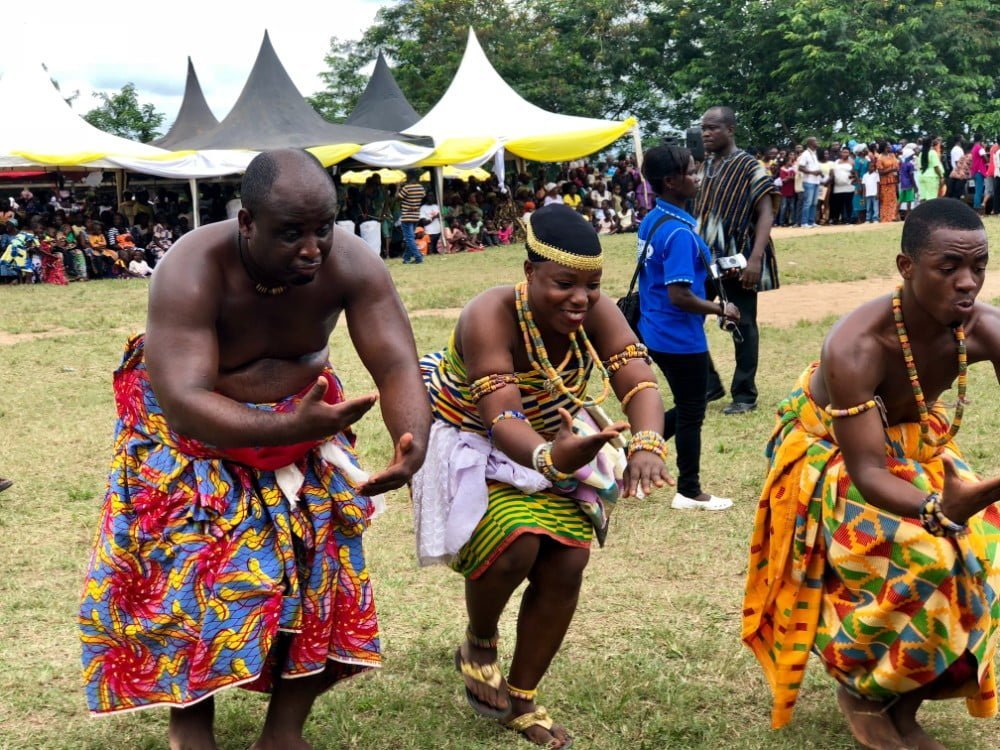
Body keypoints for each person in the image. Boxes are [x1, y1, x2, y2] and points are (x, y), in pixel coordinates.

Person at [78, 149, 431, 750]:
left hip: (302, 428)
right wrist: (290, 427)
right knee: (188, 584)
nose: (313, 249)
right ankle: (190, 721)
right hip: (191, 444)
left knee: (316, 572)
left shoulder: (352, 264)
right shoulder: (192, 266)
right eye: (290, 233)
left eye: (323, 228)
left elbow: (396, 361)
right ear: (247, 223)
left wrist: (411, 444)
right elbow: (186, 397)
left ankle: (284, 731)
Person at [410, 203, 672, 749]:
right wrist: (553, 459)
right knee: (516, 546)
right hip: (475, 443)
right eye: (563, 284)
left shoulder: (593, 312)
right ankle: (479, 643)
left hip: (553, 445)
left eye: (592, 285)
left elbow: (636, 378)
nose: (580, 299)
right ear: (529, 273)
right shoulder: (489, 314)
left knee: (569, 557)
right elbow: (503, 417)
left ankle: (523, 695)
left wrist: (648, 443)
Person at [742, 198, 1000, 750]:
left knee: (986, 554)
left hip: (912, 446)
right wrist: (936, 512)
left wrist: (967, 503)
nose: (967, 283)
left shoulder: (984, 329)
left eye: (978, 266)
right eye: (948, 268)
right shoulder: (856, 344)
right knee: (922, 556)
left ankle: (901, 703)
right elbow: (866, 470)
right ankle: (860, 689)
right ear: (906, 268)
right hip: (832, 454)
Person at [638, 146, 739, 511]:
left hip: (654, 327)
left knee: (690, 403)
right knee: (692, 409)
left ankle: (630, 453)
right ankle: (689, 490)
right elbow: (679, 295)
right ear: (670, 181)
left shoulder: (654, 219)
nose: (697, 178)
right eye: (691, 173)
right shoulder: (679, 232)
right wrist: (720, 307)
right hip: (679, 334)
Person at [696, 106, 778, 415]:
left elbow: (766, 212)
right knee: (684, 318)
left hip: (737, 258)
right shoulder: (704, 166)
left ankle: (744, 394)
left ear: (730, 130)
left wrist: (754, 259)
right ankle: (709, 383)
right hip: (703, 259)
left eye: (713, 127)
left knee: (742, 324)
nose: (706, 133)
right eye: (703, 127)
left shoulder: (749, 166)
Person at [398, 169, 426, 265]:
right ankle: (406, 258)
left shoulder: (406, 188)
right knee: (411, 238)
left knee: (409, 238)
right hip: (415, 216)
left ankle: (418, 257)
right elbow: (422, 198)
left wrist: (398, 187)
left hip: (406, 216)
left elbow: (398, 198)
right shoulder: (421, 188)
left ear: (409, 177)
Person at [797, 137, 822, 228]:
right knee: (807, 202)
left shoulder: (814, 154)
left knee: (814, 203)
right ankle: (804, 222)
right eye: (815, 141)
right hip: (808, 181)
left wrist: (818, 172)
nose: (817, 142)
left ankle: (811, 222)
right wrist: (812, 172)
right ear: (810, 143)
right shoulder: (805, 154)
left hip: (816, 181)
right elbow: (800, 167)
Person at [916, 136, 945, 205]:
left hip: (922, 176)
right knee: (931, 198)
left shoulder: (921, 153)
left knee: (923, 197)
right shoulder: (932, 153)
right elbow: (936, 167)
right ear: (930, 143)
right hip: (931, 177)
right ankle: (930, 214)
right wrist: (941, 176)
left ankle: (922, 213)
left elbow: (919, 166)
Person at [876, 142, 900, 223]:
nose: (890, 147)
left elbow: (896, 166)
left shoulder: (892, 155)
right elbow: (880, 172)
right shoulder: (880, 158)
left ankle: (893, 216)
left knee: (894, 199)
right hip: (885, 182)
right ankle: (886, 218)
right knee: (886, 200)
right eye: (888, 146)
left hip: (893, 180)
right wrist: (891, 169)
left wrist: (895, 171)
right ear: (885, 147)